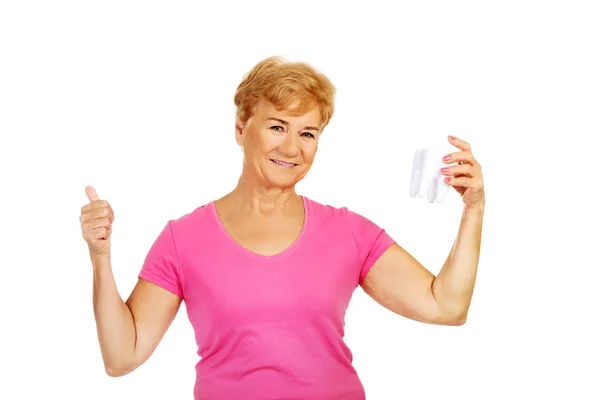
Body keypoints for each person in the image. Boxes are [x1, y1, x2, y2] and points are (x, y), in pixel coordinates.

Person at [79, 56, 485, 400]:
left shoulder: (349, 232)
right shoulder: (182, 239)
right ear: (241, 128)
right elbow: (122, 356)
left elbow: (446, 307)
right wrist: (101, 257)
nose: (292, 148)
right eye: (277, 127)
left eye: (307, 133)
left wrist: (473, 208)